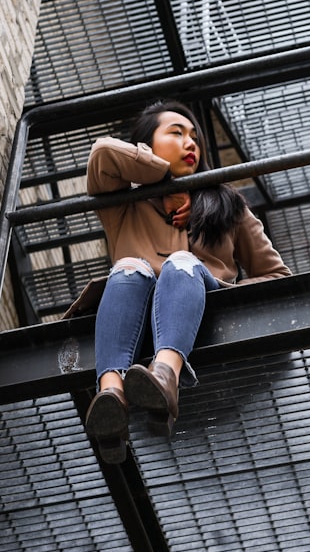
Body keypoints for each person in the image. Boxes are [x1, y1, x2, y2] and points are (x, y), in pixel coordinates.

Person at [81, 100, 291, 464]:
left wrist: (201, 194)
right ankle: (112, 397)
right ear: (146, 145)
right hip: (134, 306)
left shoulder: (228, 204)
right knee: (129, 266)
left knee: (181, 264)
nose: (191, 142)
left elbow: (278, 278)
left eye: (195, 137)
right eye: (176, 133)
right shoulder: (123, 201)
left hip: (206, 302)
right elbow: (102, 153)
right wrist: (164, 181)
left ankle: (165, 377)